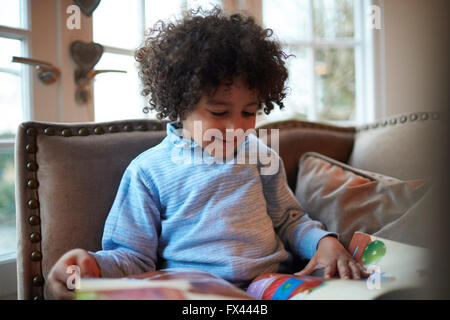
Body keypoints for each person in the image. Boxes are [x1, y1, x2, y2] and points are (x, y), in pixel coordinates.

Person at [47, 7, 368, 299]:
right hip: (193, 289)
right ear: (179, 103)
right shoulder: (148, 171)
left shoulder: (259, 155)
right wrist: (91, 266)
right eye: (218, 111)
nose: (236, 127)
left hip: (267, 282)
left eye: (249, 112)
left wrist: (325, 243)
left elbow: (289, 220)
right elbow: (133, 257)